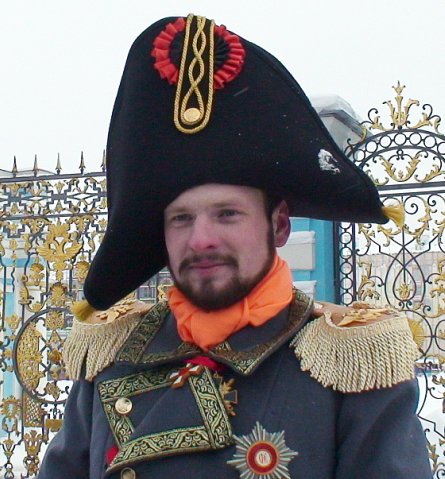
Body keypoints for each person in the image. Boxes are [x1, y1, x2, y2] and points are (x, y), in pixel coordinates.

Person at [38, 13, 432, 478]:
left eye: (227, 214)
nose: (201, 239)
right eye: (182, 218)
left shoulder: (353, 364)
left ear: (278, 225)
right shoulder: (112, 356)